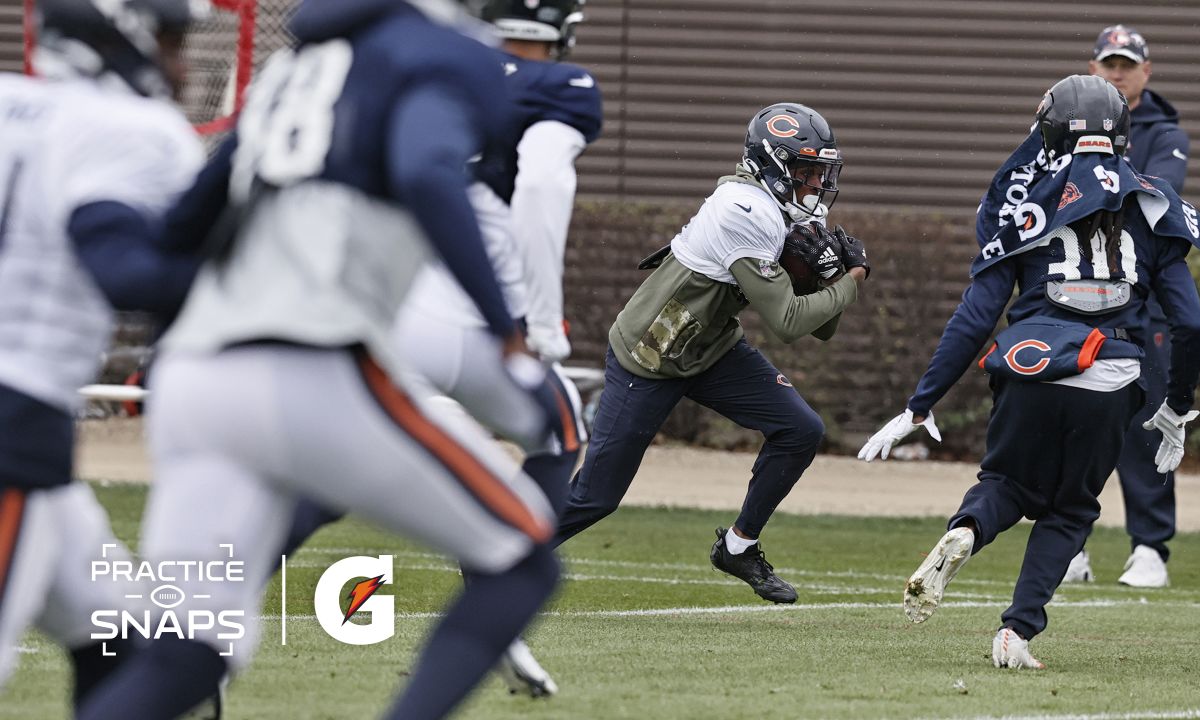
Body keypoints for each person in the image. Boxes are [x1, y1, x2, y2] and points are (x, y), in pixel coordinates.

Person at [77, 2, 568, 718]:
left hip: (194, 378)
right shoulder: (442, 53)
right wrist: (504, 325)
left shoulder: (294, 65)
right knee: (522, 564)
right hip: (311, 358)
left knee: (183, 652)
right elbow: (430, 172)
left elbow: (195, 216)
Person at [276, 0, 602, 698]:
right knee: (562, 429)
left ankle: (201, 619)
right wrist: (540, 321)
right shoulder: (555, 87)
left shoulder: (412, 58)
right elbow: (544, 180)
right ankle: (503, 588)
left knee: (339, 467)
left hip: (385, 301)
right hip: (471, 317)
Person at [858, 75, 1200, 668]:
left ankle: (969, 532)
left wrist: (920, 403)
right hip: (1110, 372)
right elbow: (1192, 324)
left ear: (1047, 130)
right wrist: (1176, 404)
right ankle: (1016, 632)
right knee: (1071, 510)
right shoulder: (1156, 203)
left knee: (1006, 484)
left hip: (1026, 361)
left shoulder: (1025, 202)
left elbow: (977, 314)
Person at [550, 103, 870, 604]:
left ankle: (739, 547)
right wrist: (851, 280)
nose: (815, 184)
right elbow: (788, 322)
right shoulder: (744, 210)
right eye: (805, 171)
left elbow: (822, 328)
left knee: (801, 430)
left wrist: (828, 279)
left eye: (819, 172)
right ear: (773, 164)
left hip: (709, 345)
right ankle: (500, 552)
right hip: (651, 353)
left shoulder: (785, 207)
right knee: (596, 496)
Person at [0, 0, 206, 705]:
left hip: (36, 446)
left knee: (124, 640)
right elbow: (125, 273)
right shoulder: (134, 132)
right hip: (11, 422)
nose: (184, 66)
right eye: (176, 41)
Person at [1065, 24, 1192, 587]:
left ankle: (1150, 551)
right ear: (1093, 69)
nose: (1116, 72)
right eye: (1108, 63)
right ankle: (1070, 544)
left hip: (1145, 303)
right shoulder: (1063, 126)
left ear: (1146, 71)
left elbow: (1152, 196)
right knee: (1073, 421)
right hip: (1077, 294)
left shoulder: (1164, 133)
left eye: (1127, 64)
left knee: (1146, 425)